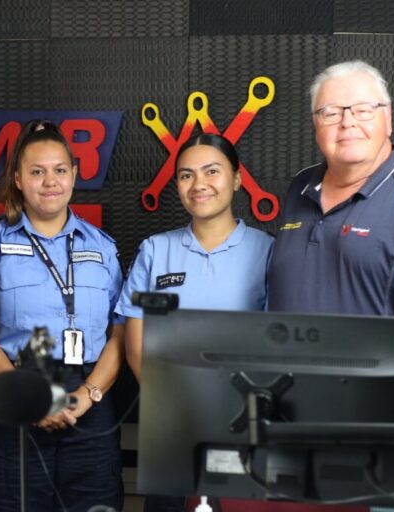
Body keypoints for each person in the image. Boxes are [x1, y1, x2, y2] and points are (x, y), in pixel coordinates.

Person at [0, 120, 125, 512]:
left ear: (74, 175)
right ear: (18, 178)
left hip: (86, 398)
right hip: (14, 390)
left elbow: (120, 337)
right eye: (37, 172)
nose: (49, 181)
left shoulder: (102, 248)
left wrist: (86, 397)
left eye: (59, 170)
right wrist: (29, 399)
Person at [115, 133, 274, 511]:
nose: (198, 184)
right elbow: (135, 343)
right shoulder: (156, 250)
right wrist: (175, 407)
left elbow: (274, 345)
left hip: (242, 426)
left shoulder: (268, 250)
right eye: (186, 175)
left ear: (236, 179)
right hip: (172, 428)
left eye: (211, 171)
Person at [268, 60, 394, 321]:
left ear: (388, 118)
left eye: (363, 110)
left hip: (380, 363)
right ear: (316, 125)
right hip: (287, 362)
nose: (347, 122)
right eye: (330, 113)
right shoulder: (301, 186)